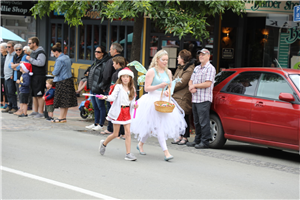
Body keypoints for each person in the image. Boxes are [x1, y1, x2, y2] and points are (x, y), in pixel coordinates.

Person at [130, 50, 187, 161]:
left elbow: (170, 87)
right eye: (163, 60)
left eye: (167, 60)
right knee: (157, 125)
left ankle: (140, 144)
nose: (165, 62)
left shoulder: (169, 72)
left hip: (163, 100)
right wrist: (159, 86)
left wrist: (167, 92)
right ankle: (166, 152)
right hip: (151, 100)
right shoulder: (151, 72)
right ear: (157, 60)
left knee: (152, 125)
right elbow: (147, 88)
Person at [98, 67, 138, 161]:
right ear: (120, 78)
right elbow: (112, 98)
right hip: (118, 112)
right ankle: (104, 144)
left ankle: (128, 154)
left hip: (127, 112)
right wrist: (105, 97)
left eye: (127, 77)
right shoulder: (118, 87)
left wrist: (135, 105)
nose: (125, 78)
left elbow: (132, 101)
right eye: (123, 76)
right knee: (116, 134)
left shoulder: (132, 88)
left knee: (128, 133)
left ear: (130, 78)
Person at [187, 48, 216, 149]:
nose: (201, 56)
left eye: (203, 55)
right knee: (196, 121)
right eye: (200, 55)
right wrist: (191, 87)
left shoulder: (210, 68)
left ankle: (205, 141)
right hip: (195, 98)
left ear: (208, 56)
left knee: (203, 121)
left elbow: (208, 83)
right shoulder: (197, 68)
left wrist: (194, 86)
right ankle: (197, 140)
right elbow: (191, 80)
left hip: (204, 99)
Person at [171, 50, 195, 145]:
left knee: (184, 116)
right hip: (177, 95)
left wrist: (171, 87)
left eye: (179, 57)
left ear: (183, 59)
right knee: (178, 116)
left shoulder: (189, 69)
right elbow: (174, 79)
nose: (177, 58)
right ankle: (179, 136)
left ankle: (185, 137)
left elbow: (182, 82)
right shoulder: (180, 68)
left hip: (183, 96)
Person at [85, 46, 110, 131]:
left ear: (102, 53)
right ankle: (96, 123)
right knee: (95, 106)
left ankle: (101, 124)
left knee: (100, 106)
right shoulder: (95, 61)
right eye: (95, 51)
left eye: (98, 52)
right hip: (93, 87)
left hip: (99, 88)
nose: (96, 53)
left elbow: (105, 76)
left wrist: (102, 86)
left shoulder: (104, 63)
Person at [100, 43, 123, 134]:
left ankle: (110, 128)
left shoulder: (111, 61)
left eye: (110, 49)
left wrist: (103, 86)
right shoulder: (125, 60)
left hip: (112, 87)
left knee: (111, 108)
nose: (109, 51)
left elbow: (106, 75)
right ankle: (121, 130)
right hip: (122, 88)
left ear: (115, 50)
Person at [51, 42, 77, 123]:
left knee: (62, 100)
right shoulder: (67, 57)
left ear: (56, 52)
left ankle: (61, 117)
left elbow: (55, 72)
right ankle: (64, 117)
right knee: (66, 100)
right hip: (69, 80)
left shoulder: (59, 59)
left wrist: (52, 73)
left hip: (61, 81)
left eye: (53, 53)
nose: (53, 55)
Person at [26, 37, 47, 118]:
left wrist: (30, 59)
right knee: (34, 94)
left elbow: (41, 63)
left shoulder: (41, 52)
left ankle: (41, 112)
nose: (28, 45)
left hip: (39, 76)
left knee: (39, 94)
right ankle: (35, 111)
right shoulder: (33, 52)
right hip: (33, 75)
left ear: (34, 43)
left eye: (30, 43)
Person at [107, 56, 127, 138]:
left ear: (118, 64)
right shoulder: (126, 73)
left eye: (114, 64)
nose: (113, 65)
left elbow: (113, 86)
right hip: (125, 98)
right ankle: (123, 133)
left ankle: (116, 132)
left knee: (116, 115)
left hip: (117, 97)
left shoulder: (116, 74)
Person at [9, 43, 28, 115]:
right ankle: (20, 109)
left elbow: (22, 66)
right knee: (18, 93)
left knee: (22, 94)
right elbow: (10, 66)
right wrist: (16, 65)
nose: (18, 51)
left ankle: (22, 110)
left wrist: (15, 65)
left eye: (19, 49)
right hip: (16, 77)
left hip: (22, 76)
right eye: (16, 50)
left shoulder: (24, 56)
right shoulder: (14, 56)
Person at [2, 41, 18, 113]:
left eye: (9, 47)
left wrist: (12, 74)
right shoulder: (8, 54)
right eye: (7, 47)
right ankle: (10, 105)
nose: (7, 48)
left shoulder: (14, 55)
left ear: (13, 47)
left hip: (10, 76)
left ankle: (14, 106)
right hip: (6, 75)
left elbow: (14, 65)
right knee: (7, 92)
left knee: (11, 92)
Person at [23, 45, 33, 110]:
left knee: (29, 91)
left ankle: (29, 105)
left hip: (29, 73)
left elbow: (29, 64)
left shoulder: (29, 56)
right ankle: (25, 105)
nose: (24, 51)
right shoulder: (25, 56)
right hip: (25, 73)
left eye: (25, 50)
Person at [0, 42, 8, 109]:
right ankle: (0, 102)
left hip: (5, 75)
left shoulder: (7, 56)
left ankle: (6, 103)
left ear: (5, 49)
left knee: (6, 90)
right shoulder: (0, 55)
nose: (0, 49)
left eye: (2, 48)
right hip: (0, 75)